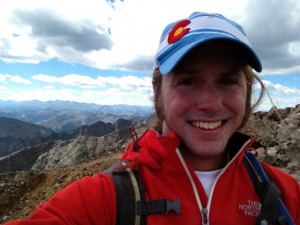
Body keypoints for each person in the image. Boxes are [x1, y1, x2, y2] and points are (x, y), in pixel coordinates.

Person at [4, 12, 299, 225]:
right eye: (187, 81)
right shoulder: (108, 197)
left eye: (228, 81)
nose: (209, 103)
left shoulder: (286, 195)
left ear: (247, 93)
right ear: (158, 93)